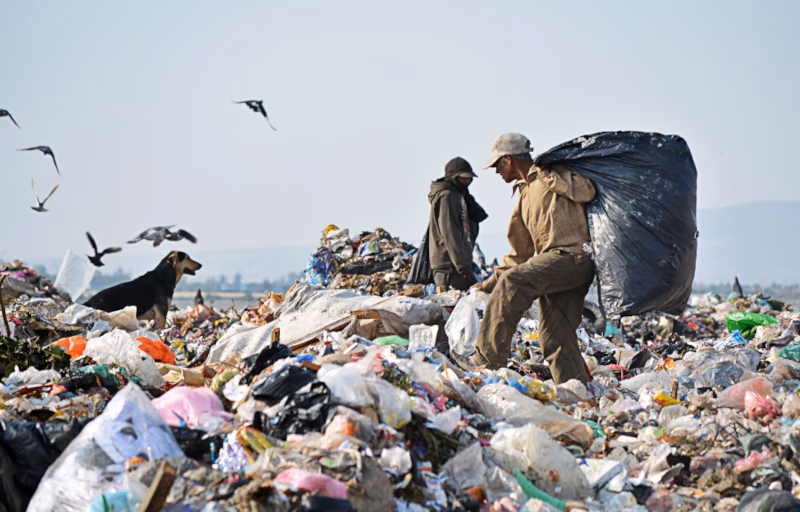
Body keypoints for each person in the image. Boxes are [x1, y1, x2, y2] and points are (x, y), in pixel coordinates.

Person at [458, 133, 596, 384]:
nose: (497, 172)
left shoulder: (553, 175)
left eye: (498, 165)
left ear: (508, 160)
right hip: (555, 268)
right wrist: (487, 284)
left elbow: (587, 191)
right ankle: (577, 394)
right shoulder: (523, 196)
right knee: (554, 337)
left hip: (575, 258)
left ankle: (486, 360)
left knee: (513, 282)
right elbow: (518, 255)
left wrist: (551, 177)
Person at [428, 157, 484, 291]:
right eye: (463, 178)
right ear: (453, 177)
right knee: (454, 308)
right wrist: (462, 265)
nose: (468, 181)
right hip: (450, 267)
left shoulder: (459, 196)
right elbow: (450, 233)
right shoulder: (448, 197)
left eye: (469, 178)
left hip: (457, 265)